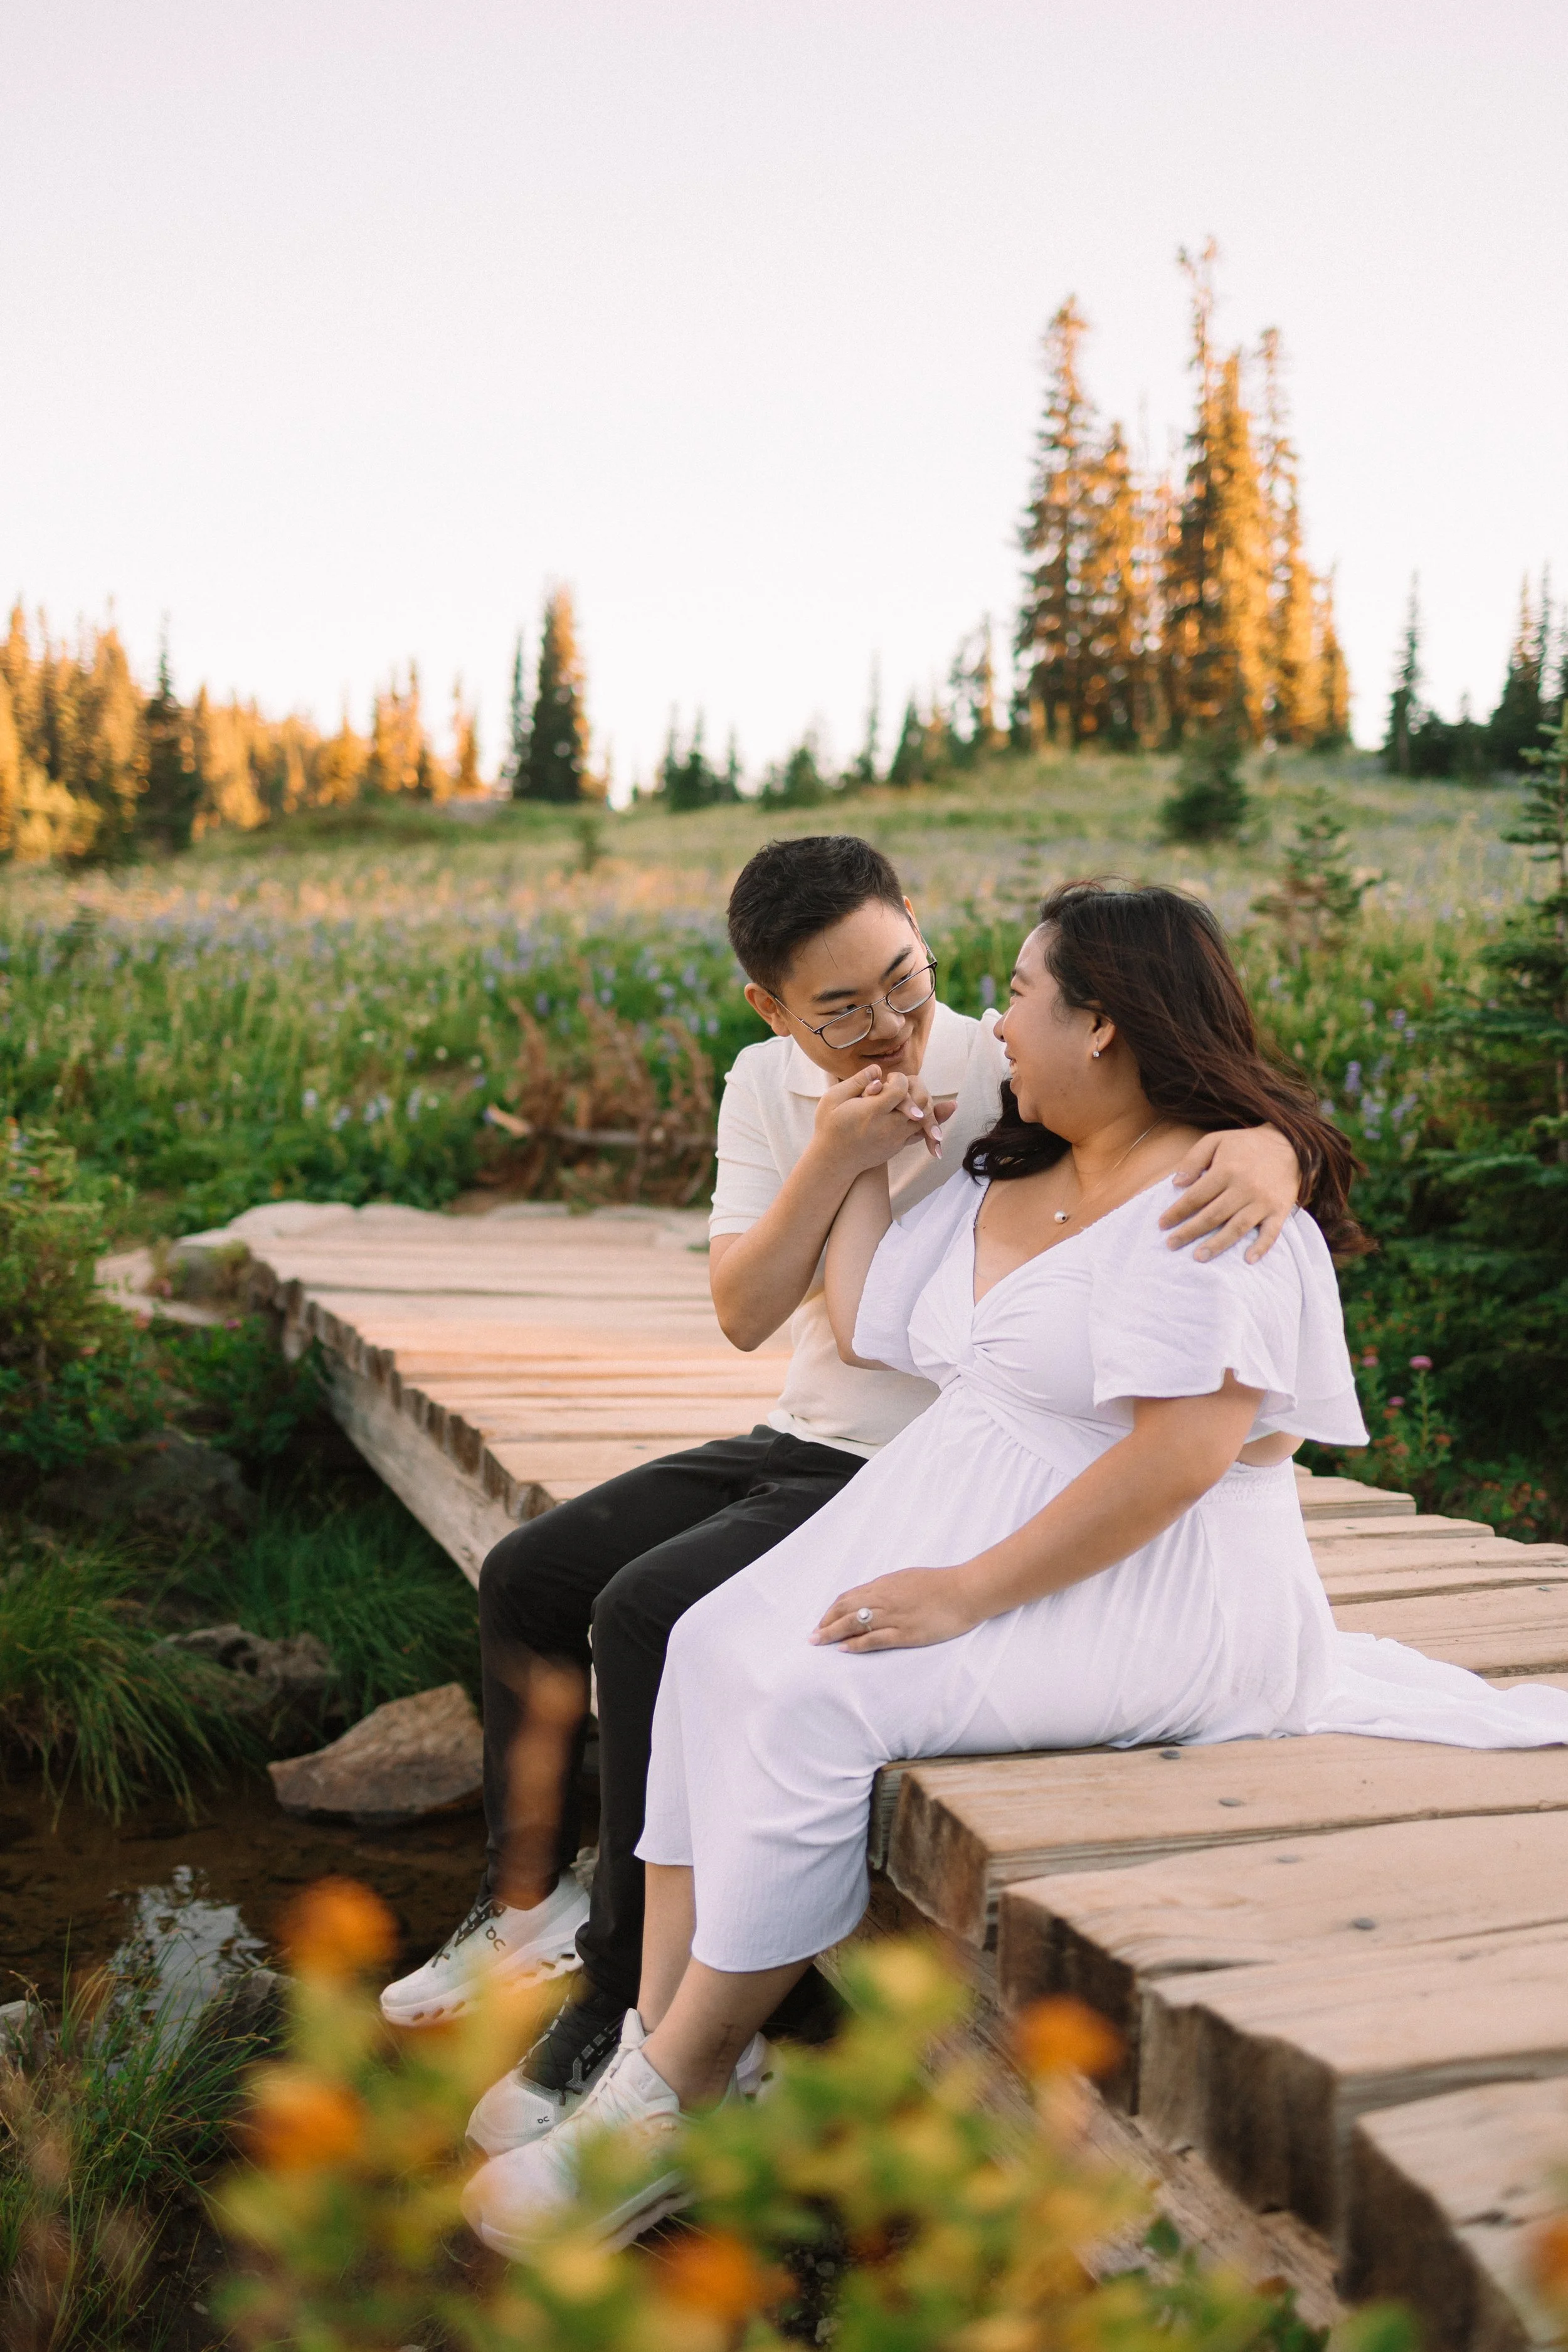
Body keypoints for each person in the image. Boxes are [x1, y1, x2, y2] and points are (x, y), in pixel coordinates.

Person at [462, 879, 1568, 2257]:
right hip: (973, 1520)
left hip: (1165, 1593)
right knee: (704, 1648)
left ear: (1101, 1027)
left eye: (1025, 998)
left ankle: (676, 2087)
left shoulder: (1209, 1203)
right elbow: (867, 1322)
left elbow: (1181, 1457)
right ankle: (670, 2050)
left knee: (815, 1700)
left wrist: (967, 1591)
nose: (993, 1023)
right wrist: (853, 1157)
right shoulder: (1027, 1164)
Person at [379, 840, 1305, 2150]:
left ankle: (624, 1992)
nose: (892, 1023)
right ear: (770, 1011)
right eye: (841, 1009)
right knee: (531, 1574)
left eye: (906, 980)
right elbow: (749, 1312)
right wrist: (837, 1149)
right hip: (807, 1424)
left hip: (927, 1464)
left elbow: (1176, 1101)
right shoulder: (765, 1087)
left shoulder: (1011, 1056)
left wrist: (1270, 1147)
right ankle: (523, 1906)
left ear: (923, 936)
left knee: (652, 1617)